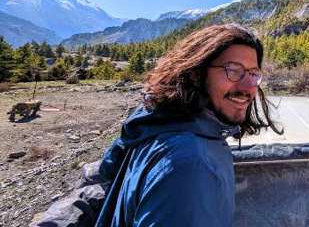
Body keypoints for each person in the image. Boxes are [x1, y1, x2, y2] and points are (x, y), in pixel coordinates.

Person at [95, 24, 282, 227]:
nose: (248, 87)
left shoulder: (157, 125)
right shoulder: (190, 164)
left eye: (253, 74)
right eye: (233, 71)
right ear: (196, 74)